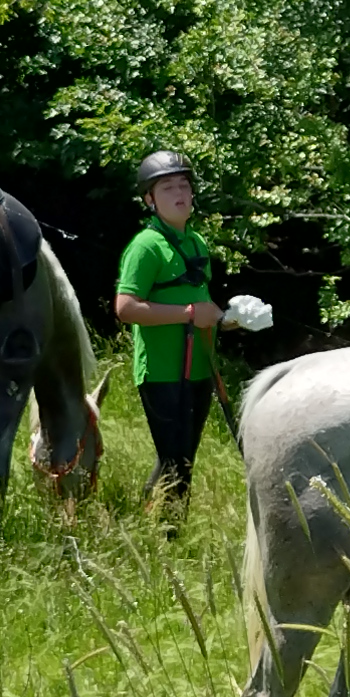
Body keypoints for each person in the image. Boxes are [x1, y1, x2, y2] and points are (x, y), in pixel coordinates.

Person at [115, 150, 223, 502]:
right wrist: (190, 313)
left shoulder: (196, 241)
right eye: (167, 188)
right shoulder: (145, 246)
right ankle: (169, 537)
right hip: (162, 371)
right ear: (149, 199)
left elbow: (199, 301)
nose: (179, 194)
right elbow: (126, 307)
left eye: (184, 186)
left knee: (182, 459)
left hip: (199, 367)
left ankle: (155, 522)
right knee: (176, 462)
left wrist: (225, 319)